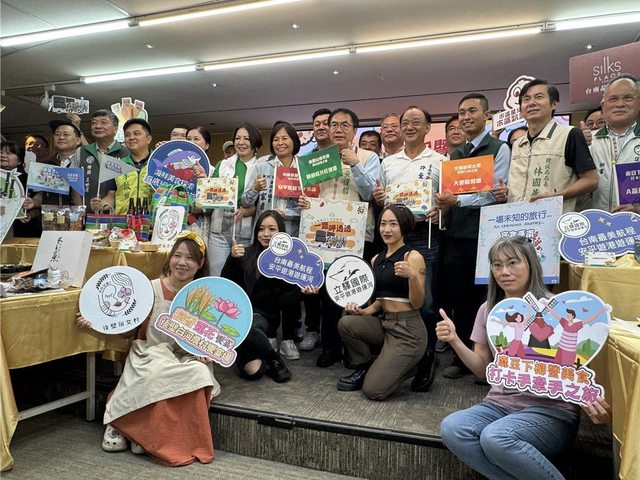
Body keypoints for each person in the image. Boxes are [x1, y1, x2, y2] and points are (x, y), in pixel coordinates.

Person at [437, 235, 611, 480]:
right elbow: (482, 369)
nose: (504, 272)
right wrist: (455, 340)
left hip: (551, 412)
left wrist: (590, 398)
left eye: (513, 263)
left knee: (496, 437)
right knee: (452, 428)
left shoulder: (556, 307)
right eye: (497, 265)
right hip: (498, 405)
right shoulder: (488, 310)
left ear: (531, 265)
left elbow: (579, 365)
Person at [76, 232, 220, 466]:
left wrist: (206, 351)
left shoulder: (203, 296)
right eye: (177, 256)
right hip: (149, 352)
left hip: (185, 356)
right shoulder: (149, 289)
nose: (182, 263)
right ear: (170, 257)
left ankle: (157, 437)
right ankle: (124, 425)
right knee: (154, 372)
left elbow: (213, 336)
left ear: (200, 263)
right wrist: (95, 319)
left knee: (200, 374)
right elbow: (122, 322)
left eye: (190, 258)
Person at [436, 93, 511, 380]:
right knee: (459, 298)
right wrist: (443, 205)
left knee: (486, 299)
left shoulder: (499, 148)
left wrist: (458, 201)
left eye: (472, 111)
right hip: (456, 236)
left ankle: (489, 360)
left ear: (486, 115)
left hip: (486, 236)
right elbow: (450, 197)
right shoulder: (455, 155)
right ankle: (462, 358)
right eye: (461, 113)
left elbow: (495, 192)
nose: (466, 117)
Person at [299, 107, 382, 367]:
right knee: (327, 293)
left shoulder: (368, 157)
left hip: (356, 235)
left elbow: (370, 194)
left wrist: (355, 164)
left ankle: (355, 348)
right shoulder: (319, 159)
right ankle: (330, 347)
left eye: (345, 125)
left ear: (354, 130)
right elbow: (310, 192)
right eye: (334, 124)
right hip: (323, 234)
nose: (338, 129)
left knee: (353, 290)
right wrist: (305, 201)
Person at [373, 105, 444, 391]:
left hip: (425, 236)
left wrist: (442, 211)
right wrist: (379, 197)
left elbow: (447, 200)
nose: (410, 126)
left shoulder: (440, 160)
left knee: (425, 301)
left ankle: (427, 358)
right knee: (392, 296)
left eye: (417, 122)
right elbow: (382, 202)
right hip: (393, 238)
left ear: (428, 128)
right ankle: (396, 356)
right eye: (406, 122)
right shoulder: (388, 163)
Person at [337, 204, 427, 400]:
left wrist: (412, 276)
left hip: (408, 330)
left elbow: (418, 303)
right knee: (347, 323)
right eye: (383, 224)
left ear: (404, 227)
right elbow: (381, 300)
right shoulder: (376, 259)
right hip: (385, 324)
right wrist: (364, 311)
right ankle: (364, 367)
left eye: (393, 224)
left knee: (373, 391)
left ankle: (416, 362)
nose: (387, 229)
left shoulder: (413, 257)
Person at [221, 210, 317, 375]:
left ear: (281, 232)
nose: (266, 234)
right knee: (254, 373)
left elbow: (286, 301)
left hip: (262, 321)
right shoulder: (244, 254)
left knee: (251, 326)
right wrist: (232, 259)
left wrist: (302, 292)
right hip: (238, 315)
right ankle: (271, 355)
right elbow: (226, 284)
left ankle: (265, 347)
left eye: (272, 229)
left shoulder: (288, 262)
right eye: (261, 229)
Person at [240, 123, 305, 359]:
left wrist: (291, 213)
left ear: (294, 141)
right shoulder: (262, 165)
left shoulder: (303, 168)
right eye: (276, 139)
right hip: (265, 239)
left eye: (285, 138)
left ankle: (288, 338)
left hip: (292, 237)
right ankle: (269, 333)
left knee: (289, 292)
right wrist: (255, 189)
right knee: (266, 288)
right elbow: (245, 200)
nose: (280, 143)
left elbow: (312, 206)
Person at [502, 78, 598, 213]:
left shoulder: (570, 134)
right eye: (526, 99)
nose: (532, 103)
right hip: (517, 218)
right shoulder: (517, 144)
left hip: (554, 218)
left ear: (554, 104)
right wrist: (505, 192)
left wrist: (556, 197)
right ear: (521, 109)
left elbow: (591, 180)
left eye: (539, 97)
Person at [576, 74, 640, 213]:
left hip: (635, 222)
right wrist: (576, 147)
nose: (620, 104)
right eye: (613, 99)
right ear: (603, 105)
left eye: (628, 98)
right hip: (592, 221)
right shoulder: (585, 141)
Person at [207, 123, 260, 276]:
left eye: (246, 138)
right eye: (237, 138)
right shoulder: (223, 165)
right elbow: (210, 194)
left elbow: (262, 204)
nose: (241, 142)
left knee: (241, 275)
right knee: (216, 273)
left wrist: (248, 210)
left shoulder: (261, 167)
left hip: (246, 231)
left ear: (255, 142)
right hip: (219, 229)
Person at [70, 109, 128, 212]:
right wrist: (80, 210)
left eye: (103, 122)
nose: (97, 126)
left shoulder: (125, 153)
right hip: (86, 214)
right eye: (94, 123)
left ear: (115, 128)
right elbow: (74, 183)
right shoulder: (82, 151)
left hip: (116, 216)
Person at [1, 141, 42, 237]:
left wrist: (30, 214)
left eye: (8, 153)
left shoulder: (29, 180)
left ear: (19, 161)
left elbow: (38, 208)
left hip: (21, 231)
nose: (2, 155)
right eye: (1, 152)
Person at [114, 119, 154, 215]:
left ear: (148, 139)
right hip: (123, 221)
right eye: (127, 135)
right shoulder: (117, 165)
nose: (131, 137)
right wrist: (102, 204)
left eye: (136, 133)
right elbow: (110, 195)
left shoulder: (160, 164)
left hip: (152, 222)